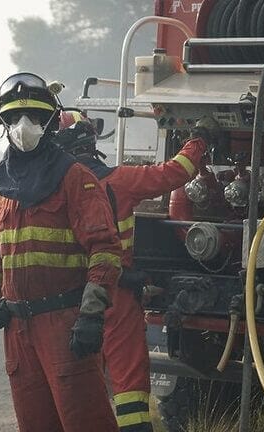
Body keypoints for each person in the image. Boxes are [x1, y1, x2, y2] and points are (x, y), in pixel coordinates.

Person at [0, 72, 124, 432]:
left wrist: (92, 315)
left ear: (50, 121)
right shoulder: (4, 189)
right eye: (15, 117)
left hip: (65, 326)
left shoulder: (75, 179)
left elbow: (106, 251)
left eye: (35, 116)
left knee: (87, 424)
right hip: (19, 333)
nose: (24, 125)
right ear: (2, 122)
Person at [55, 109, 217, 432]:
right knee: (129, 382)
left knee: (81, 383)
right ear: (91, 143)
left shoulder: (52, 194)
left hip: (71, 301)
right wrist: (199, 139)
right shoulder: (121, 181)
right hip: (117, 298)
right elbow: (174, 173)